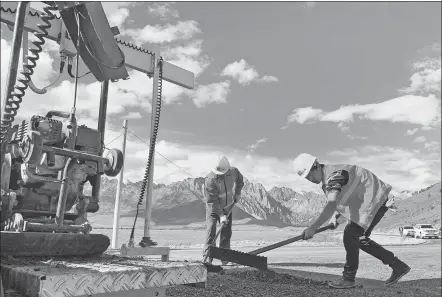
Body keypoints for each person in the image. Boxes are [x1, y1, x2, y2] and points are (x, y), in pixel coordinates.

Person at [293, 153, 411, 289]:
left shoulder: (334, 176)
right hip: (373, 202)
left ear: (315, 166)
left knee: (350, 235)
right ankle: (398, 266)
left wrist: (313, 227)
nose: (310, 179)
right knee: (358, 238)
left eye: (309, 175)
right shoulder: (329, 178)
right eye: (306, 178)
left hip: (373, 200)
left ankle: (348, 279)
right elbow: (344, 200)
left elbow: (331, 203)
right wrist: (336, 217)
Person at [203, 156, 244, 265]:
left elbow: (240, 180)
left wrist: (237, 193)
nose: (220, 175)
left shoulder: (233, 172)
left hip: (227, 206)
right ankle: (208, 258)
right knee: (211, 231)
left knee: (226, 233)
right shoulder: (210, 179)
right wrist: (221, 215)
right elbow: (211, 200)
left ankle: (225, 258)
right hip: (213, 209)